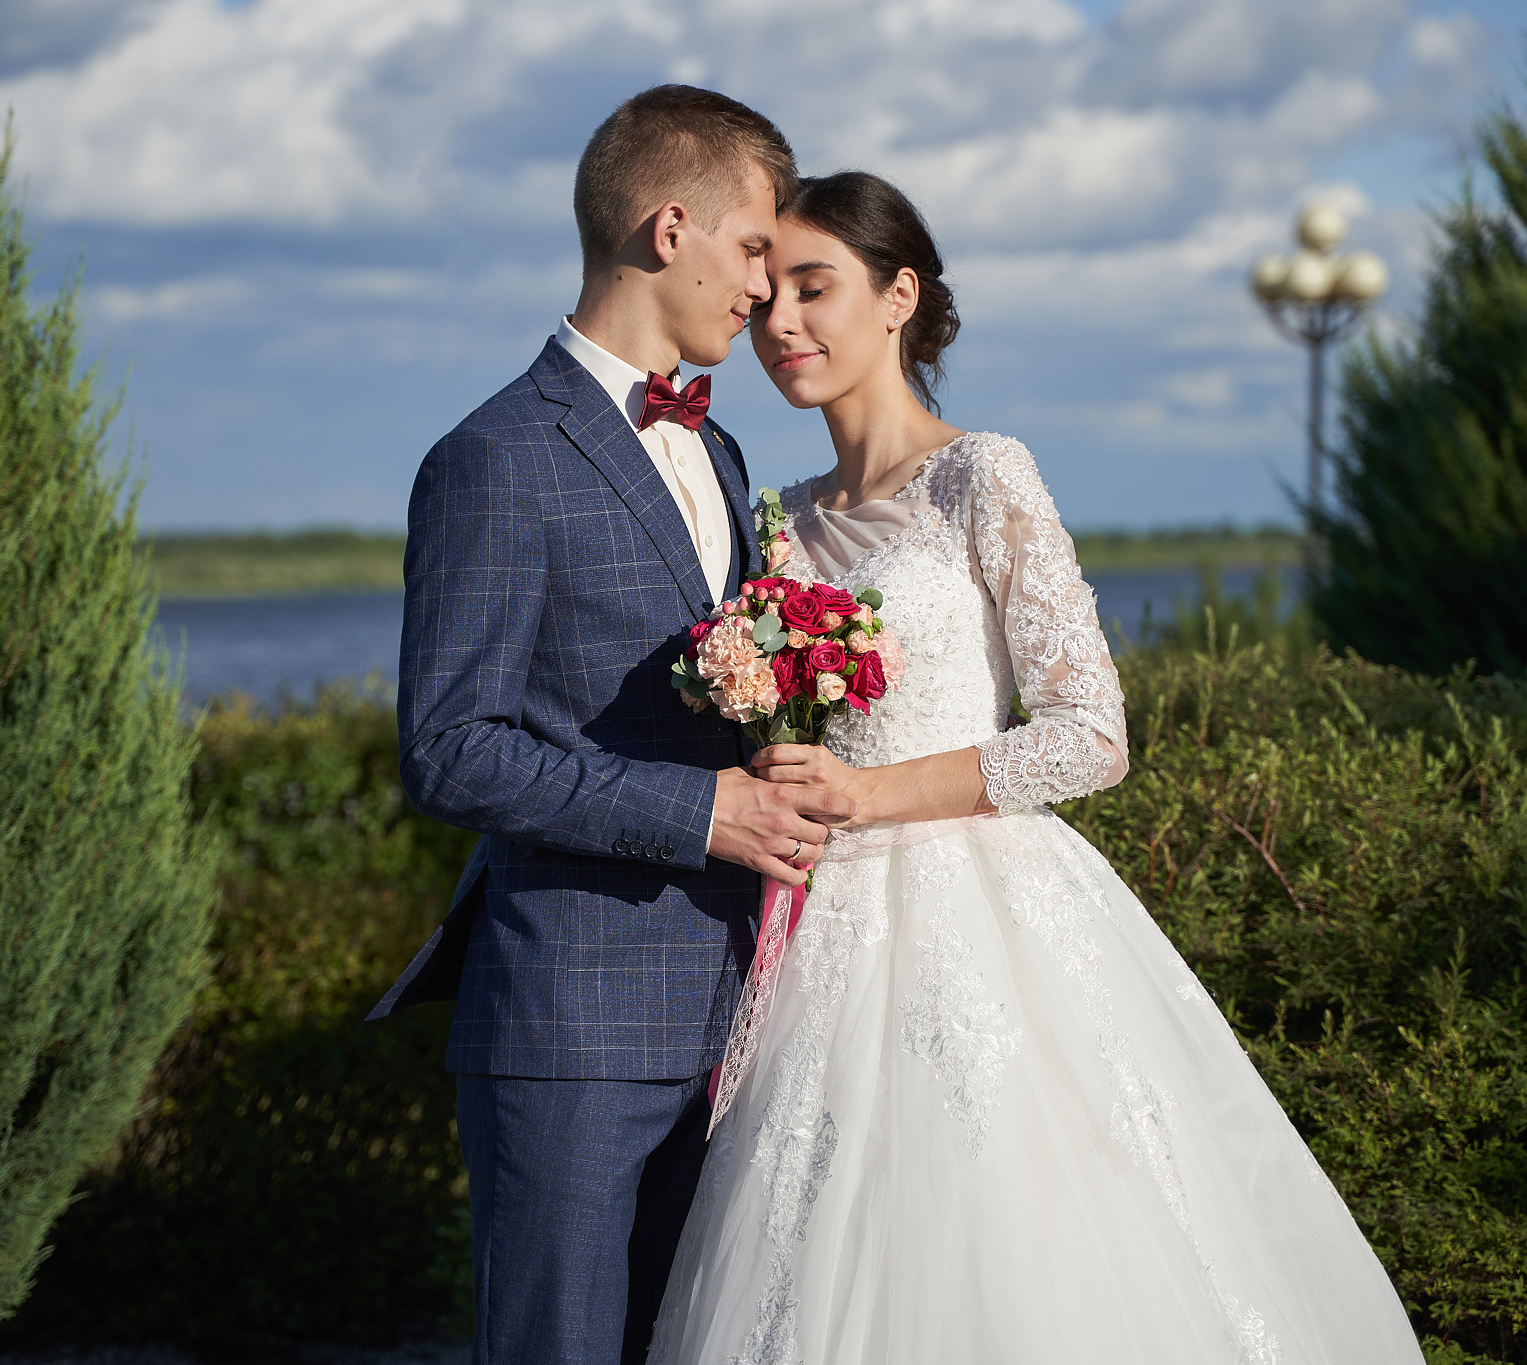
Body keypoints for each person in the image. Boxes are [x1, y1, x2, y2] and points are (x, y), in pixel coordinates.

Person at [646, 171, 1426, 1365]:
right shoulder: (775, 517)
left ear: (898, 294)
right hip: (809, 929)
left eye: (816, 289)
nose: (782, 326)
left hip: (979, 913)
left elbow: (1088, 735)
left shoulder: (981, 475)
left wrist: (869, 794)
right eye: (765, 304)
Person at [367, 88, 857, 1365]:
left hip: (741, 1017)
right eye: (754, 249)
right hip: (570, 1025)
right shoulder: (493, 458)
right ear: (669, 226)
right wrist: (706, 812)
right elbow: (449, 747)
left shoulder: (728, 453)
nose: (765, 288)